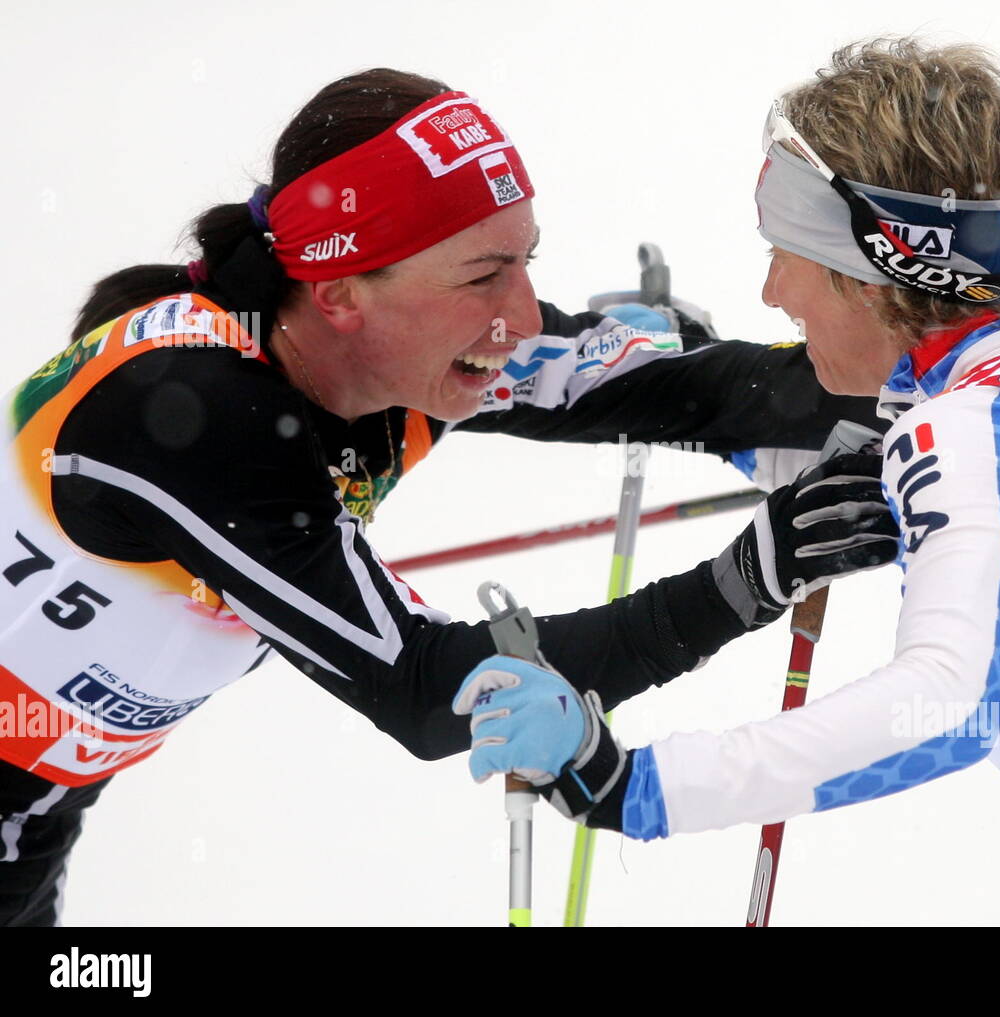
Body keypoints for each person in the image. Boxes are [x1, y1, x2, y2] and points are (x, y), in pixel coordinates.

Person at [0, 68, 901, 926]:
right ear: (342, 288)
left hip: (43, 798)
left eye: (525, 263)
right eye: (483, 275)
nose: (529, 317)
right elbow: (431, 687)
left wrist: (968, 383)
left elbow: (697, 390)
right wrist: (742, 583)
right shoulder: (196, 416)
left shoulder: (395, 358)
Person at [456, 38, 1000, 927]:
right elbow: (864, 462)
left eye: (790, 252)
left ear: (879, 272)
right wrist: (665, 363)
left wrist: (629, 784)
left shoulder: (977, 428)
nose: (773, 288)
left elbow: (946, 706)